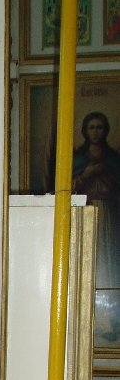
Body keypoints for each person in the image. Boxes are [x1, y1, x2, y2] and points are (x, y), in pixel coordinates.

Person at [72, 111, 120, 291]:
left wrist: (106, 172)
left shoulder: (113, 159)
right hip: (86, 209)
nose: (95, 132)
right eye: (91, 127)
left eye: (99, 127)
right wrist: (87, 174)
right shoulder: (78, 159)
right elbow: (67, 188)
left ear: (105, 130)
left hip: (109, 211)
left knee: (108, 252)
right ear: (85, 130)